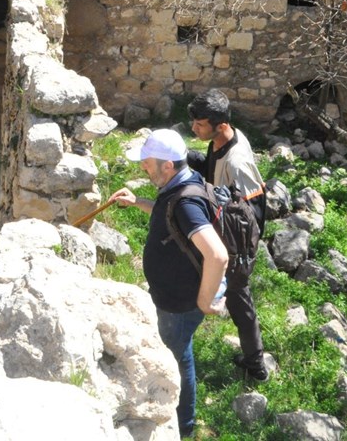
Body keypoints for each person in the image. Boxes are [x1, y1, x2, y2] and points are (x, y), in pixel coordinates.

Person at [108, 129, 228, 439]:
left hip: (181, 302)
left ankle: (183, 425)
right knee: (176, 351)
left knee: (177, 358)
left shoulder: (186, 202)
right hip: (173, 295)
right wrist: (138, 202)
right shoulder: (179, 184)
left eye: (147, 163)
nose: (142, 168)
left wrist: (204, 302)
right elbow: (169, 216)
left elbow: (217, 256)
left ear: (168, 166)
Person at [186, 89, 269, 381]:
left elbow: (254, 212)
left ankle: (256, 366)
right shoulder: (222, 139)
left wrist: (237, 257)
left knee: (238, 299)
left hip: (236, 244)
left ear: (219, 125)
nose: (194, 128)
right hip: (221, 235)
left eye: (200, 124)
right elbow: (213, 172)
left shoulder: (236, 162)